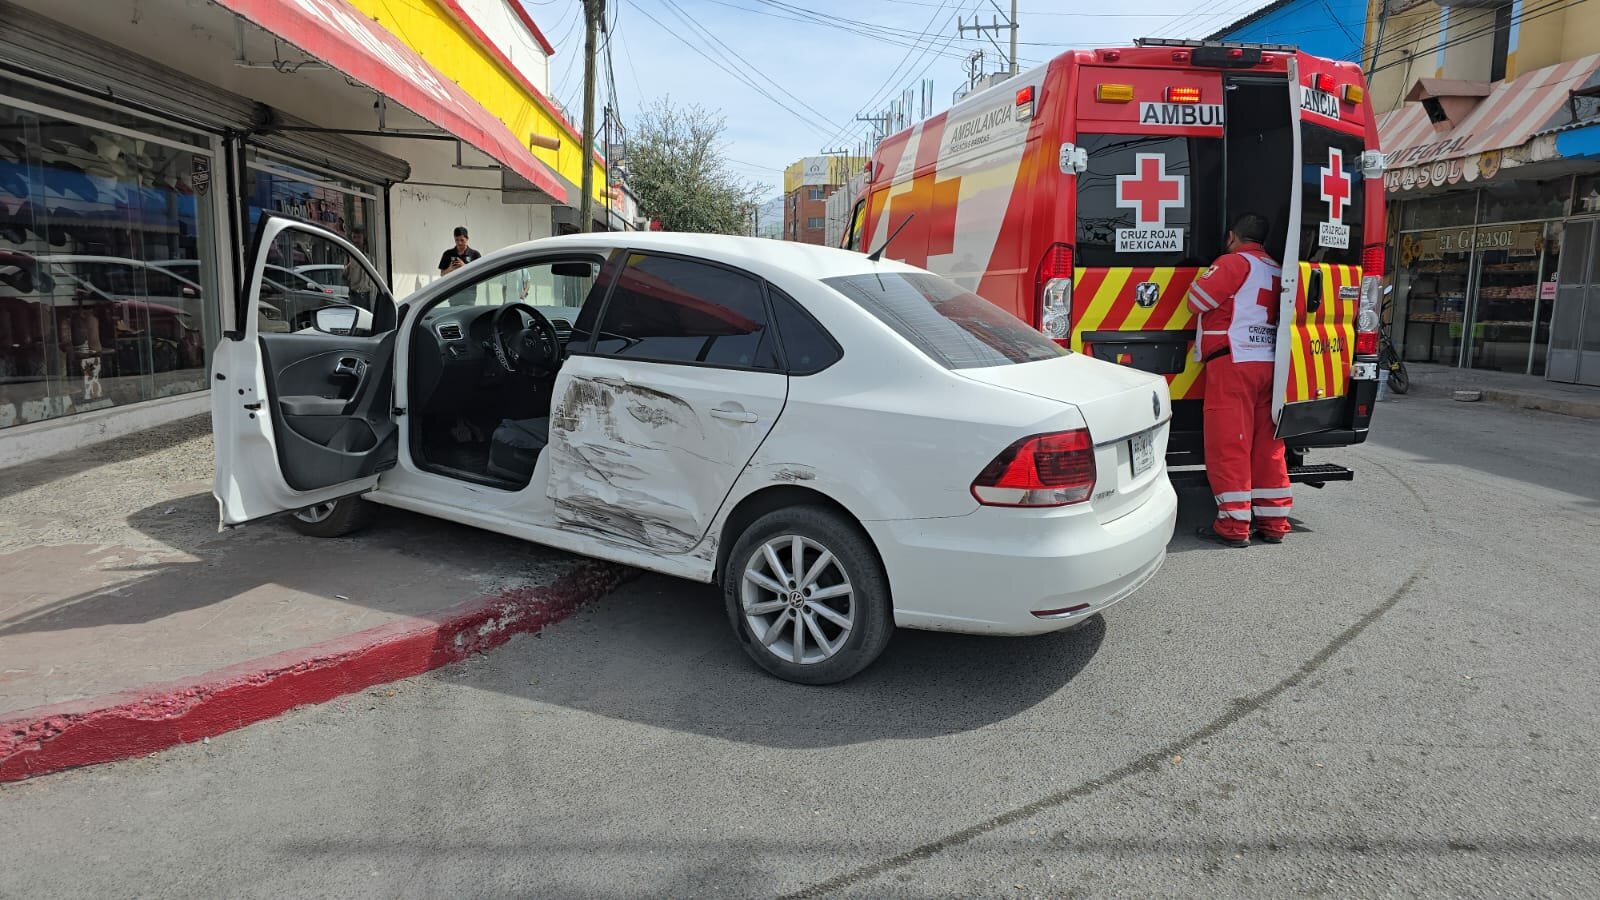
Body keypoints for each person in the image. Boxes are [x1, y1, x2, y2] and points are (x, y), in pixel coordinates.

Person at [1186, 213, 1292, 548]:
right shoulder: (1277, 268)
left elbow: (1197, 301)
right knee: (1269, 446)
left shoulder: (1233, 263)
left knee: (1230, 444)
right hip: (1270, 365)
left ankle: (1233, 526)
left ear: (1232, 236)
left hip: (1234, 363)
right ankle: (1274, 521)